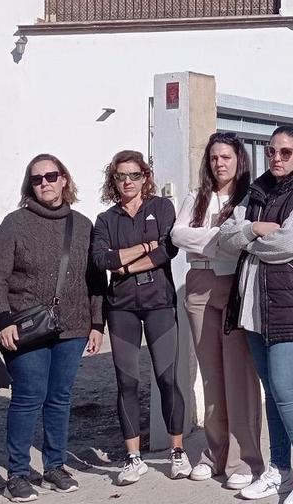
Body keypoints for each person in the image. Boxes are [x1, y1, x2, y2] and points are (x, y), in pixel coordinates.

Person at [221, 126, 293, 504]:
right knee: (273, 391)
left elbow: (288, 244)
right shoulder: (258, 189)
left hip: (291, 303)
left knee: (287, 390)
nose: (277, 158)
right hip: (254, 307)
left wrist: (247, 239)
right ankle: (279, 469)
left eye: (286, 152)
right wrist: (254, 227)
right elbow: (224, 235)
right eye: (271, 151)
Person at [0, 153, 105, 503]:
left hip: (73, 326)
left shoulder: (83, 225)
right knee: (27, 398)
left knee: (60, 399)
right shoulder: (15, 223)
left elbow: (96, 278)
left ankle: (55, 466)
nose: (45, 184)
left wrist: (97, 322)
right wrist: (2, 318)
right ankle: (18, 473)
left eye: (51, 176)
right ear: (30, 185)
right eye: (37, 179)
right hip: (25, 326)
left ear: (64, 179)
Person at [171, 133, 263, 490]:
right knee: (210, 376)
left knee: (238, 376)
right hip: (198, 287)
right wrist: (218, 239)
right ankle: (214, 454)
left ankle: (246, 460)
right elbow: (178, 235)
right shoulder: (197, 197)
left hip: (233, 287)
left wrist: (211, 241)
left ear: (238, 159)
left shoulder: (249, 198)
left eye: (225, 157)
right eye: (213, 158)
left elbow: (241, 244)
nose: (219, 163)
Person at [90, 150, 185, 485]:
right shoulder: (106, 219)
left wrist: (126, 263)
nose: (127, 182)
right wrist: (145, 248)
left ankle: (177, 451)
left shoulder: (161, 208)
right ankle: (133, 458)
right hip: (121, 308)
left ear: (146, 177)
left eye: (134, 175)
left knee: (167, 378)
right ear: (112, 180)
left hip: (159, 303)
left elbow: (167, 249)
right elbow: (102, 259)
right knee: (126, 382)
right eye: (120, 176)